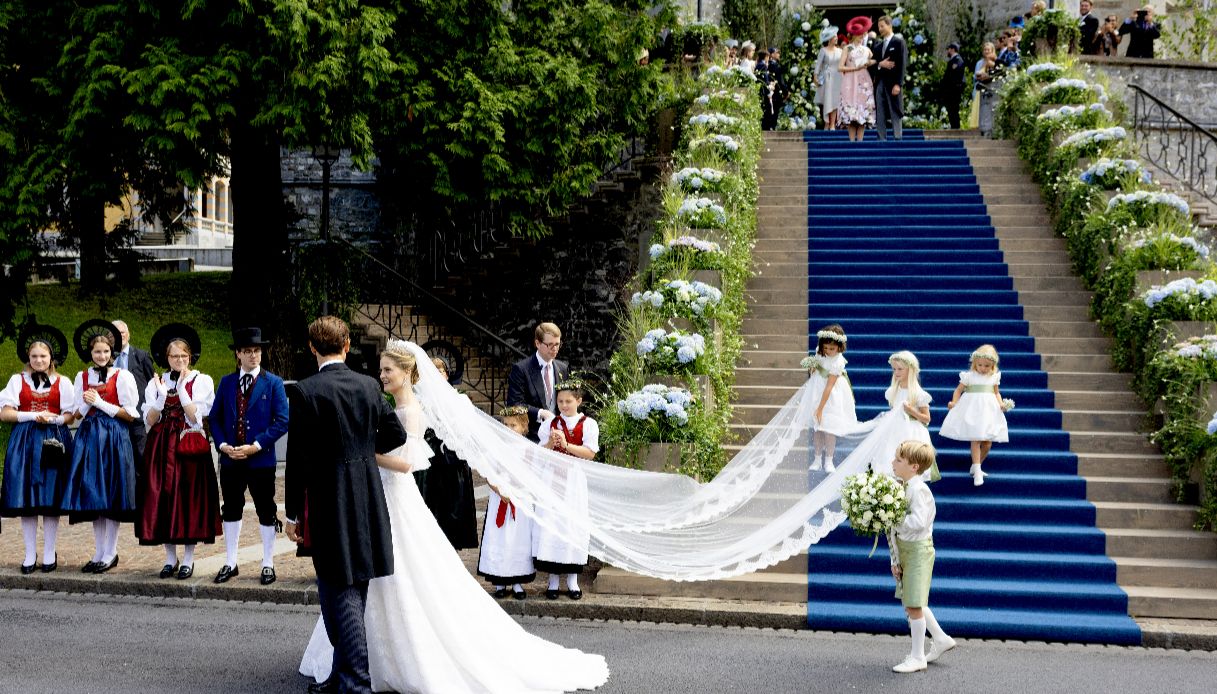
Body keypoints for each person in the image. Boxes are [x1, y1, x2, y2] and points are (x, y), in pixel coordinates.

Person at [297, 339, 608, 694]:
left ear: (406, 373)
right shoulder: (389, 403)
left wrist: (366, 454)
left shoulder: (411, 410)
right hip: (380, 496)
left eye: (387, 370)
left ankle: (387, 659)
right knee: (371, 576)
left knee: (400, 574)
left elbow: (409, 463)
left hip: (397, 497)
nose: (381, 375)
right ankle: (358, 659)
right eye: (381, 369)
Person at [286, 317, 408, 694]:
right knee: (352, 585)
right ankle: (343, 675)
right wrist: (359, 451)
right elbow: (396, 434)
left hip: (329, 498)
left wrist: (291, 513)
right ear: (347, 344)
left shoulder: (306, 391)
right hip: (368, 493)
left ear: (311, 347)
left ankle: (355, 683)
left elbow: (298, 460)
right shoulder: (369, 385)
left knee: (340, 590)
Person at [136, 324, 219, 579]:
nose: (180, 360)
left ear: (190, 356)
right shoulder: (156, 383)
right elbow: (149, 421)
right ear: (166, 358)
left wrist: (182, 390)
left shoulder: (201, 380)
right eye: (175, 356)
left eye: (184, 355)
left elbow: (198, 419)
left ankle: (189, 558)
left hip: (188, 446)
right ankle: (170, 558)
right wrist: (160, 398)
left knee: (188, 499)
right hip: (161, 446)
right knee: (161, 498)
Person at [208, 326, 290, 585]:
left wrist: (256, 445)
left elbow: (282, 421)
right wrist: (222, 445)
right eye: (247, 351)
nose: (253, 355)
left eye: (257, 351)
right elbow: (215, 418)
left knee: (266, 509)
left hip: (260, 459)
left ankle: (268, 562)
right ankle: (231, 561)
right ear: (238, 355)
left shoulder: (273, 382)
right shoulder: (227, 382)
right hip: (231, 458)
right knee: (231, 508)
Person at [61, 321, 139, 574]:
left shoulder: (123, 376)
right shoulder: (82, 377)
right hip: (89, 439)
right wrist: (86, 403)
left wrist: (100, 402)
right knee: (94, 493)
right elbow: (78, 413)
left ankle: (111, 551)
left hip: (115, 438)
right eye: (97, 352)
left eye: (106, 351)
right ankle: (98, 551)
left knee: (111, 494)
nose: (102, 356)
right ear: (90, 353)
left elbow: (130, 414)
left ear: (112, 352)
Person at [0, 325, 75, 573]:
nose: (39, 360)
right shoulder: (16, 380)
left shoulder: (62, 382)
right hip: (24, 441)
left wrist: (52, 419)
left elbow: (70, 415)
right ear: (28, 358)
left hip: (52, 441)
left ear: (51, 358)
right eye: (34, 356)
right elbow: (5, 413)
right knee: (27, 499)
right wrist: (32, 415)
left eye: (43, 356)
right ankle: (30, 553)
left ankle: (49, 552)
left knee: (50, 498)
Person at [887, 441, 955, 673]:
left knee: (913, 604)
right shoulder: (904, 486)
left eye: (898, 460)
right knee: (912, 599)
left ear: (914, 466)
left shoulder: (919, 490)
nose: (893, 463)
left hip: (918, 550)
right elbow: (896, 533)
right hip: (907, 550)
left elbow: (918, 523)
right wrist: (895, 559)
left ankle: (917, 657)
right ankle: (940, 638)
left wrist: (892, 517)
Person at [534, 379, 596, 600]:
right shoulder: (550, 424)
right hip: (552, 478)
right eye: (560, 401)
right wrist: (551, 443)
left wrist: (566, 445)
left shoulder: (588, 424)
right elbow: (540, 452)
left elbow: (590, 453)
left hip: (574, 479)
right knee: (552, 522)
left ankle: (572, 580)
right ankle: (552, 580)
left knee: (572, 524)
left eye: (568, 401)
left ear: (578, 400)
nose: (563, 406)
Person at [418, 357, 478, 551]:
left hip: (453, 462)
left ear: (446, 374)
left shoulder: (459, 399)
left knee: (453, 512)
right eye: (431, 371)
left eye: (440, 371)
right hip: (431, 464)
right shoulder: (419, 400)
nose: (436, 375)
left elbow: (468, 430)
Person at [478, 405, 536, 599]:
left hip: (520, 500)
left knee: (517, 539)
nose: (509, 429)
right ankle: (500, 582)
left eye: (514, 425)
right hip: (500, 497)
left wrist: (519, 491)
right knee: (500, 537)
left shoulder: (529, 449)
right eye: (506, 425)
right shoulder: (497, 448)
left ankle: (517, 581)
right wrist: (500, 490)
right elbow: (488, 472)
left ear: (524, 427)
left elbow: (532, 474)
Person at [940, 345, 1009, 487]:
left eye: (987, 366)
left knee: (988, 442)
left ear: (993, 366)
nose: (983, 368)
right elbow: (958, 390)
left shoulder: (994, 377)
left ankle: (976, 464)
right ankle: (977, 470)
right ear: (974, 363)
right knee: (976, 439)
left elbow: (996, 392)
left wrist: (1001, 403)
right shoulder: (969, 376)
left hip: (988, 411)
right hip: (972, 410)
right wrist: (954, 402)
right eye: (980, 365)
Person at [506, 322, 570, 441]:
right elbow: (514, 403)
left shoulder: (562, 368)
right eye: (550, 345)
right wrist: (541, 413)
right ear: (537, 343)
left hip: (559, 437)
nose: (555, 349)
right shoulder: (521, 369)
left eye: (557, 344)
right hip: (532, 437)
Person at [808, 325, 856, 473]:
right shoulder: (819, 352)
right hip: (817, 391)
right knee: (817, 429)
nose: (828, 351)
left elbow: (829, 388)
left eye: (832, 349)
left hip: (832, 395)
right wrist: (812, 369)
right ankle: (816, 459)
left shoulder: (838, 362)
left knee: (829, 429)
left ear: (840, 347)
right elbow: (816, 367)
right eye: (826, 348)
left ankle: (829, 460)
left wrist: (820, 408)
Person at [111, 319, 155, 463]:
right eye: (115, 333)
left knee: (141, 458)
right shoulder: (106, 358)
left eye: (122, 332)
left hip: (137, 418)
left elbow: (152, 384)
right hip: (114, 418)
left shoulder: (141, 356)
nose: (119, 336)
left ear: (128, 335)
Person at [838, 16, 876, 142]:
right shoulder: (847, 48)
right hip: (850, 81)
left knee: (862, 110)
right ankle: (851, 141)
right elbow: (840, 67)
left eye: (862, 34)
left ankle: (860, 142)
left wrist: (869, 63)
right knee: (851, 110)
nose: (861, 36)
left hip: (864, 81)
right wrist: (854, 68)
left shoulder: (866, 49)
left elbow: (874, 60)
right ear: (853, 35)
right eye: (858, 34)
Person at [871, 15, 907, 141]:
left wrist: (898, 84)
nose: (880, 29)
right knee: (880, 112)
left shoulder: (898, 42)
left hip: (893, 83)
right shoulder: (878, 46)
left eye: (882, 26)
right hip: (880, 83)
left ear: (889, 25)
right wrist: (880, 64)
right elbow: (872, 65)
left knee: (895, 110)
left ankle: (898, 137)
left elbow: (902, 64)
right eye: (878, 27)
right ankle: (881, 138)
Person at [814, 27, 843, 131]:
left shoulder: (840, 50)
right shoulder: (823, 50)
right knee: (827, 100)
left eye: (836, 36)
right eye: (834, 36)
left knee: (835, 100)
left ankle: (832, 124)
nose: (836, 38)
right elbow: (818, 65)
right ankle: (826, 123)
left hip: (838, 77)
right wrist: (815, 76)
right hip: (827, 77)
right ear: (829, 38)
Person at [973, 42, 1000, 136]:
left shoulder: (995, 61)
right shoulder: (979, 63)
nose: (986, 51)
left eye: (988, 50)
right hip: (980, 89)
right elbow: (976, 75)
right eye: (985, 49)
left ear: (992, 51)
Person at [941, 42, 967, 130]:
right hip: (950, 91)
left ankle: (956, 129)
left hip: (954, 90)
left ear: (952, 49)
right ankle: (954, 127)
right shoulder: (953, 60)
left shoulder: (957, 60)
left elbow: (954, 75)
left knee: (954, 110)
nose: (948, 51)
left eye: (949, 49)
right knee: (951, 110)